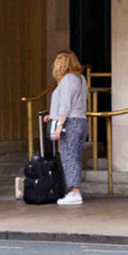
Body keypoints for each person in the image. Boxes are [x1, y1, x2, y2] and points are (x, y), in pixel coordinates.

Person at [46, 50, 87, 207]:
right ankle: (73, 190)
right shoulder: (80, 78)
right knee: (74, 156)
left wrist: (59, 125)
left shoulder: (68, 79)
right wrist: (53, 115)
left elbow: (66, 105)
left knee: (68, 157)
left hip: (71, 122)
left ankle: (75, 192)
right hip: (81, 120)